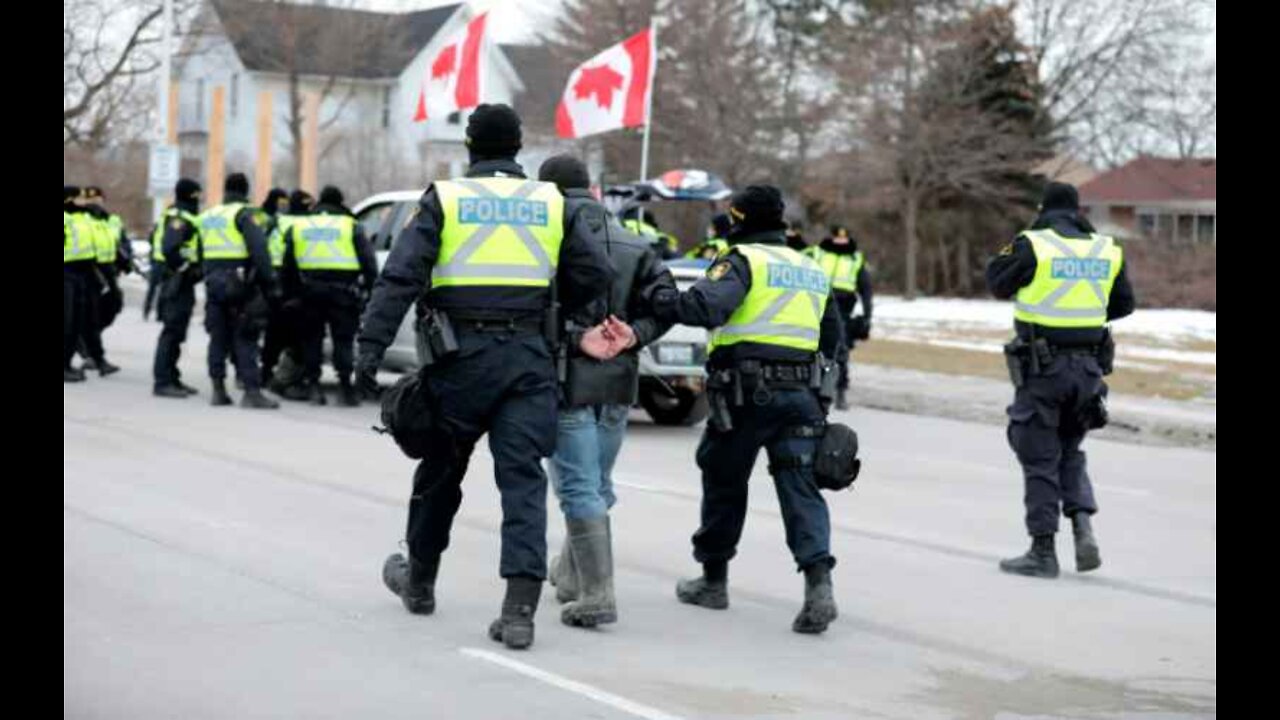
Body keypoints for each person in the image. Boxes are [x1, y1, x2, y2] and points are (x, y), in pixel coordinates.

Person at [357, 104, 612, 650]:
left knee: (441, 472)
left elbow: (399, 278)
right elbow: (596, 275)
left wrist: (368, 349)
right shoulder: (551, 202)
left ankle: (420, 582)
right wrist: (557, 315)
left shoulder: (446, 198)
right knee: (522, 482)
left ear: (469, 146)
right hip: (528, 359)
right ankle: (519, 611)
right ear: (519, 147)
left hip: (459, 361)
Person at [641, 185, 847, 634]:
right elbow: (834, 341)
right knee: (800, 488)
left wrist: (659, 299)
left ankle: (713, 582)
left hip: (746, 395)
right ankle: (819, 586)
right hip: (802, 397)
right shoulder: (810, 267)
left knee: (723, 479)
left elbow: (704, 307)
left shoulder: (742, 260)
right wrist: (822, 397)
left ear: (739, 221)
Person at [537, 154, 676, 629]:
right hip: (619, 383)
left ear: (548, 193)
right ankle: (572, 576)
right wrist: (635, 333)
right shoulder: (637, 243)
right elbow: (668, 305)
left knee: (577, 485)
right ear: (593, 191)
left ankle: (597, 593)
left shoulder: (546, 239)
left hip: (566, 377)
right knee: (594, 483)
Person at [986, 182, 1135, 578]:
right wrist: (1083, 314)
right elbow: (1124, 304)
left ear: (1042, 208)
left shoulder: (1034, 243)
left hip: (1044, 369)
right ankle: (1083, 528)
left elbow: (997, 281)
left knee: (1038, 456)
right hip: (1088, 371)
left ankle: (1043, 551)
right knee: (1070, 450)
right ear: (1078, 209)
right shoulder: (1106, 248)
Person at [281, 185, 377, 406]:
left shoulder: (300, 225)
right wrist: (372, 292)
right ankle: (345, 388)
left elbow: (287, 266)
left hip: (309, 293)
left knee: (311, 339)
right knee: (343, 340)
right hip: (343, 293)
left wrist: (291, 294)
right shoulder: (350, 225)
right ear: (340, 202)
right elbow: (369, 262)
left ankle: (314, 387)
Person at [199, 172, 281, 409]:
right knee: (246, 335)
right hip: (240, 282)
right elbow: (259, 250)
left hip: (213, 281)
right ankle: (252, 392)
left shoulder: (209, 215)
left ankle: (218, 389)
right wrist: (270, 283)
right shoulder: (244, 214)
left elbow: (199, 250)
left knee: (218, 337)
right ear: (246, 191)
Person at [805, 225, 872, 410]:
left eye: (844, 238)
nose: (841, 241)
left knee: (840, 350)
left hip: (842, 309)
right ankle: (812, 388)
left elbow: (866, 289)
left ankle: (840, 390)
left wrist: (867, 315)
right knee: (811, 346)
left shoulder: (855, 258)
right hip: (816, 303)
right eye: (838, 238)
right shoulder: (817, 252)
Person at [152, 178, 205, 398]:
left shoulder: (184, 216)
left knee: (178, 332)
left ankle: (172, 376)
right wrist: (185, 268)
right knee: (172, 331)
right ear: (191, 195)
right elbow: (170, 248)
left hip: (180, 281)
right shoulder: (178, 218)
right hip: (176, 280)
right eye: (198, 194)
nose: (200, 198)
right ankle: (163, 381)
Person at [264, 189, 315, 398]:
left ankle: (265, 373)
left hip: (273, 280)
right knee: (298, 335)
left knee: (273, 333)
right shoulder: (308, 225)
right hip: (296, 282)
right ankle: (289, 381)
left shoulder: (277, 222)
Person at [77, 187, 124, 375]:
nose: (93, 202)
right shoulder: (83, 220)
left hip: (108, 271)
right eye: (89, 199)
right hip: (89, 272)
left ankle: (89, 348)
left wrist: (124, 262)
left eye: (97, 198)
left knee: (112, 308)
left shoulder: (110, 220)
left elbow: (118, 243)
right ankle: (93, 356)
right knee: (89, 317)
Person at [65, 186, 101, 382]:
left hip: (81, 274)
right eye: (79, 197)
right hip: (66, 273)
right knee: (67, 323)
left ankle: (68, 364)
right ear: (69, 199)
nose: (84, 200)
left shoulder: (83, 218)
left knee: (75, 323)